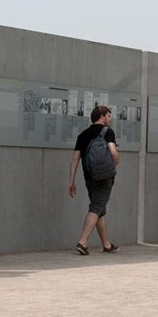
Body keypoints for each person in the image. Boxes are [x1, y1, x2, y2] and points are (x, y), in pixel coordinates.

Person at [68, 105, 120, 255]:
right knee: (96, 207)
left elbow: (75, 158)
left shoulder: (83, 135)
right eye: (109, 116)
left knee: (99, 209)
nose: (110, 119)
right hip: (104, 177)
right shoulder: (107, 132)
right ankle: (82, 242)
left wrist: (71, 180)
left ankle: (107, 244)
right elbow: (113, 152)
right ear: (102, 116)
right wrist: (113, 165)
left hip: (89, 176)